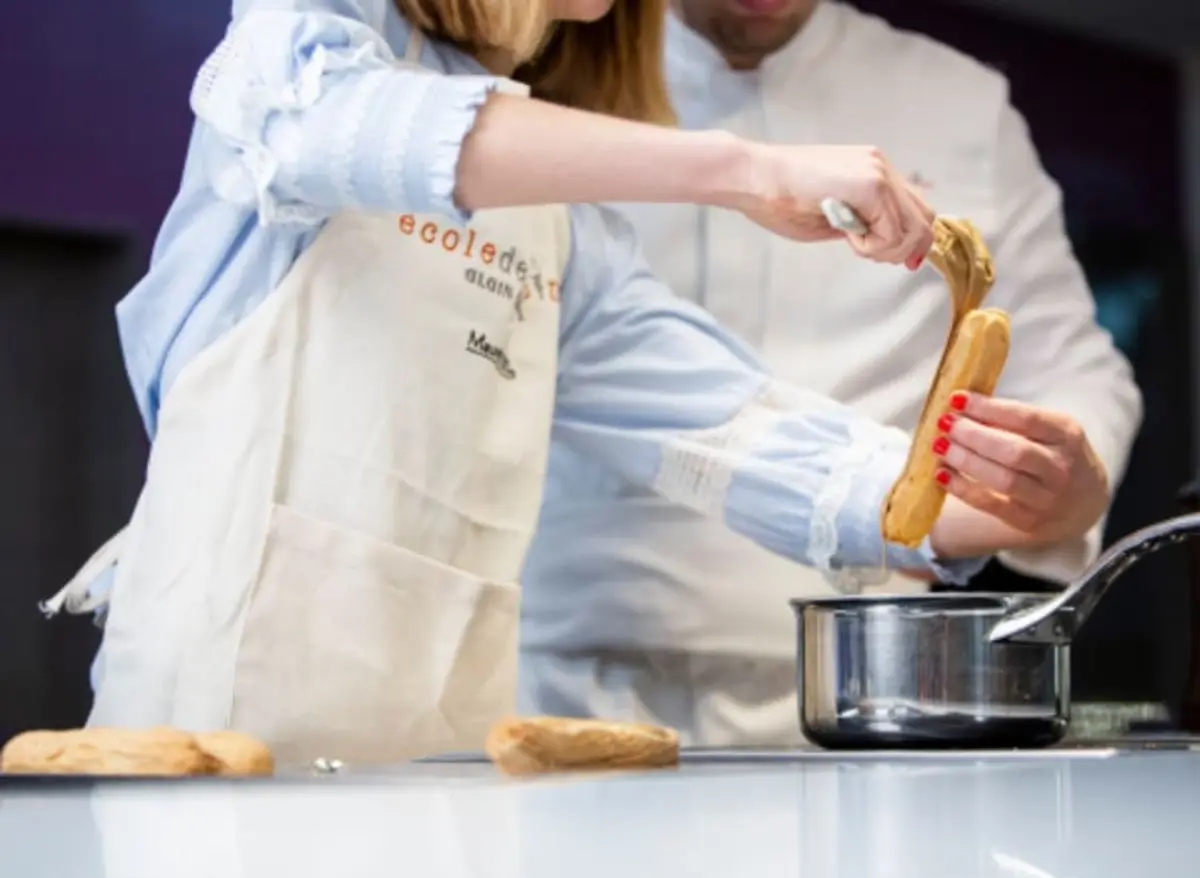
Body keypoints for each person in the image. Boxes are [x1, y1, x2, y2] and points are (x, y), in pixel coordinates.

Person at [43, 0, 1040, 766]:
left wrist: (1004, 497)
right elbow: (326, 123)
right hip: (212, 723)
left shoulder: (560, 218)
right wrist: (737, 168)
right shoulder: (309, 45)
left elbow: (731, 435)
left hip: (433, 746)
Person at [519, 0, 1142, 746]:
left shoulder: (958, 100)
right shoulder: (545, 84)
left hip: (866, 667)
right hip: (553, 660)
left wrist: (1049, 495)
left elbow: (1075, 368)